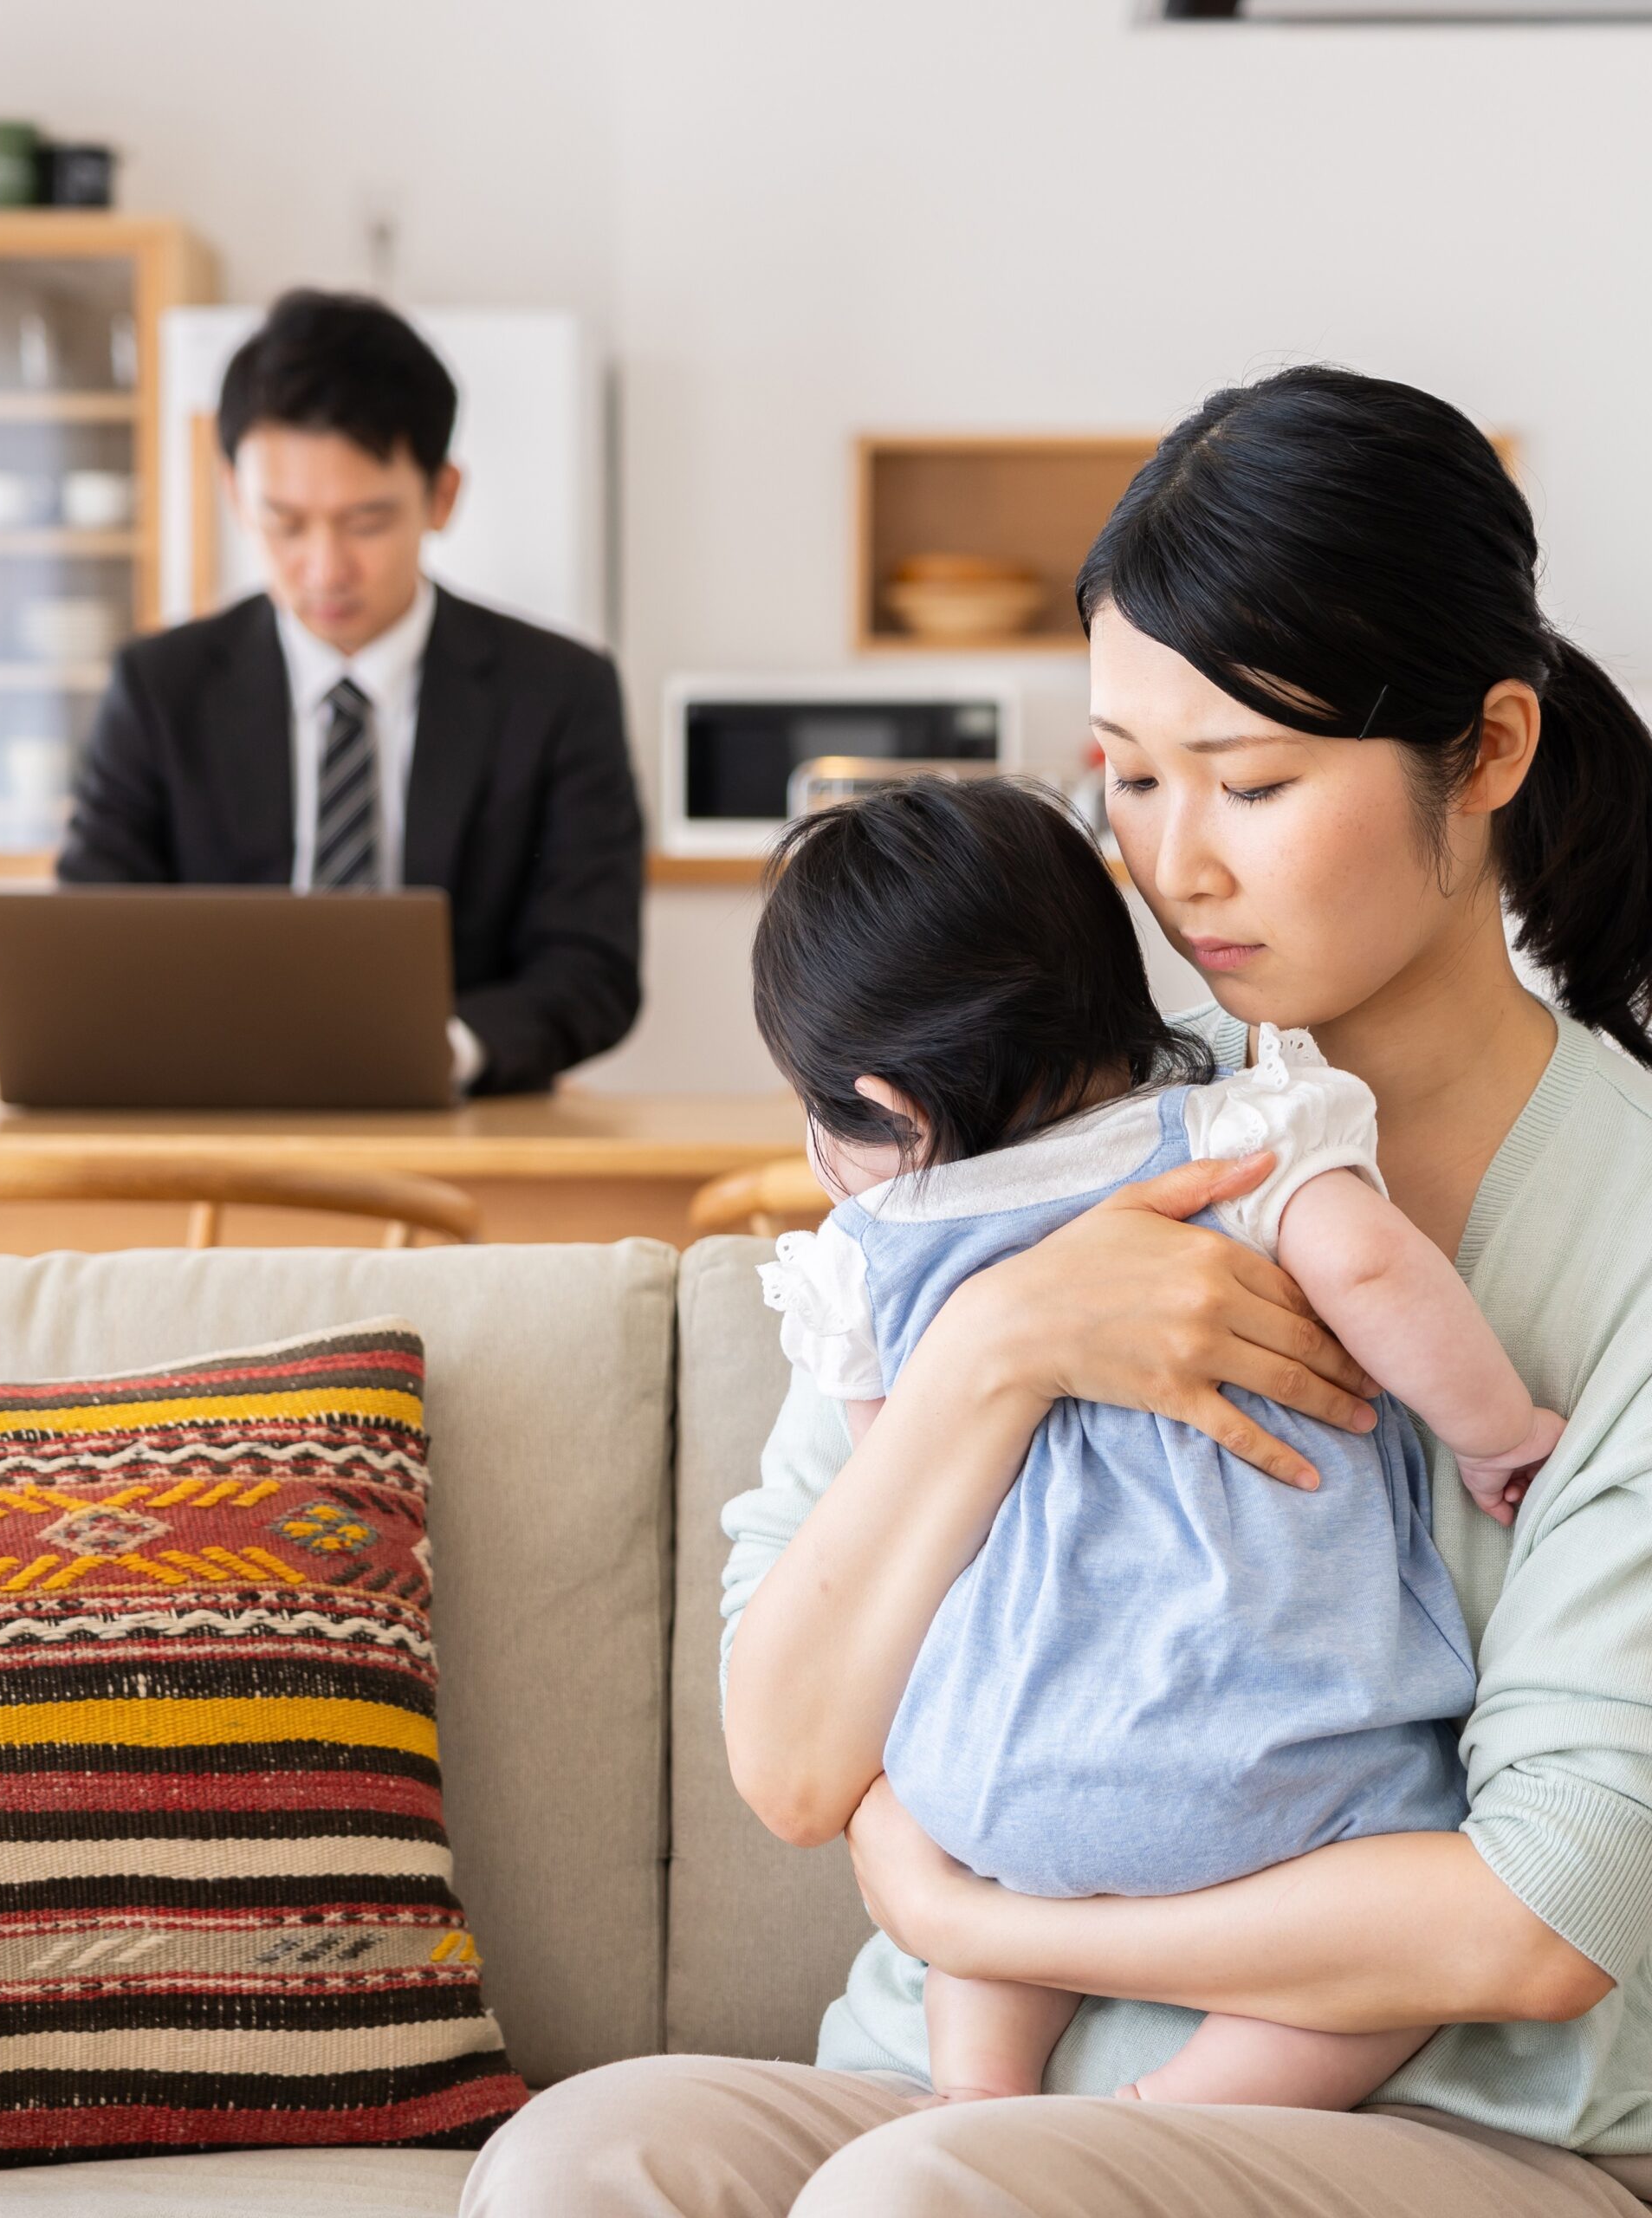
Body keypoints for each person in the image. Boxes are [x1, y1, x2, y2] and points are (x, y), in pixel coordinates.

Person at [464, 364, 1652, 2217]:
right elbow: (791, 1760)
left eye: (1252, 781)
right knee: (583, 2159)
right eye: (1128, 771)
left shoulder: (1631, 1219)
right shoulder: (1047, 1102)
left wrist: (967, 1904)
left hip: (1450, 2128)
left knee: (936, 2197)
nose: (1174, 866)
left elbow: (1541, 1912)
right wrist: (1001, 1350)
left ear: (1486, 751)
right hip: (945, 2083)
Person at [749, 775, 1560, 2111]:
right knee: (1389, 1914)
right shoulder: (1236, 1135)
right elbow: (1368, 1274)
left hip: (999, 1786)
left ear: (884, 1106)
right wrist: (1498, 1431)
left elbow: (894, 1491)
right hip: (1280, 1771)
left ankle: (979, 2106)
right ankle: (1174, 2117)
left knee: (985, 1928)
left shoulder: (866, 1265)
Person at [57, 290, 643, 1095]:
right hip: (211, 1118)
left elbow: (594, 967)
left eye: (366, 522)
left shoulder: (560, 690)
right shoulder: (160, 690)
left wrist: (441, 1051)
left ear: (442, 496)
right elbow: (89, 948)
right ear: (234, 496)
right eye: (285, 523)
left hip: (471, 1122)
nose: (325, 568)